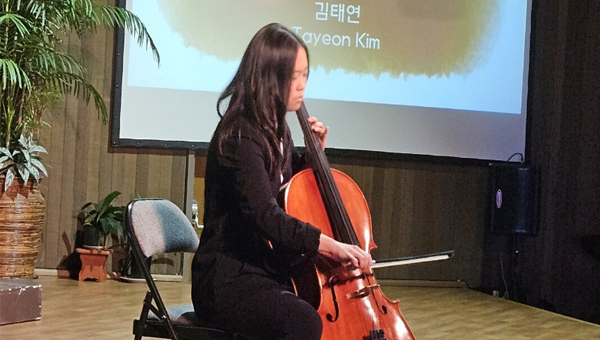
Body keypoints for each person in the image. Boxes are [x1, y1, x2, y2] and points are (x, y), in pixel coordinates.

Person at [191, 23, 373, 340]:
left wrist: (312, 158)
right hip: (228, 276)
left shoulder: (276, 128)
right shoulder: (241, 134)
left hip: (263, 269)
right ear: (270, 77)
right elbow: (265, 214)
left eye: (306, 75)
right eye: (294, 76)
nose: (302, 85)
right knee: (303, 322)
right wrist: (330, 245)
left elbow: (282, 189)